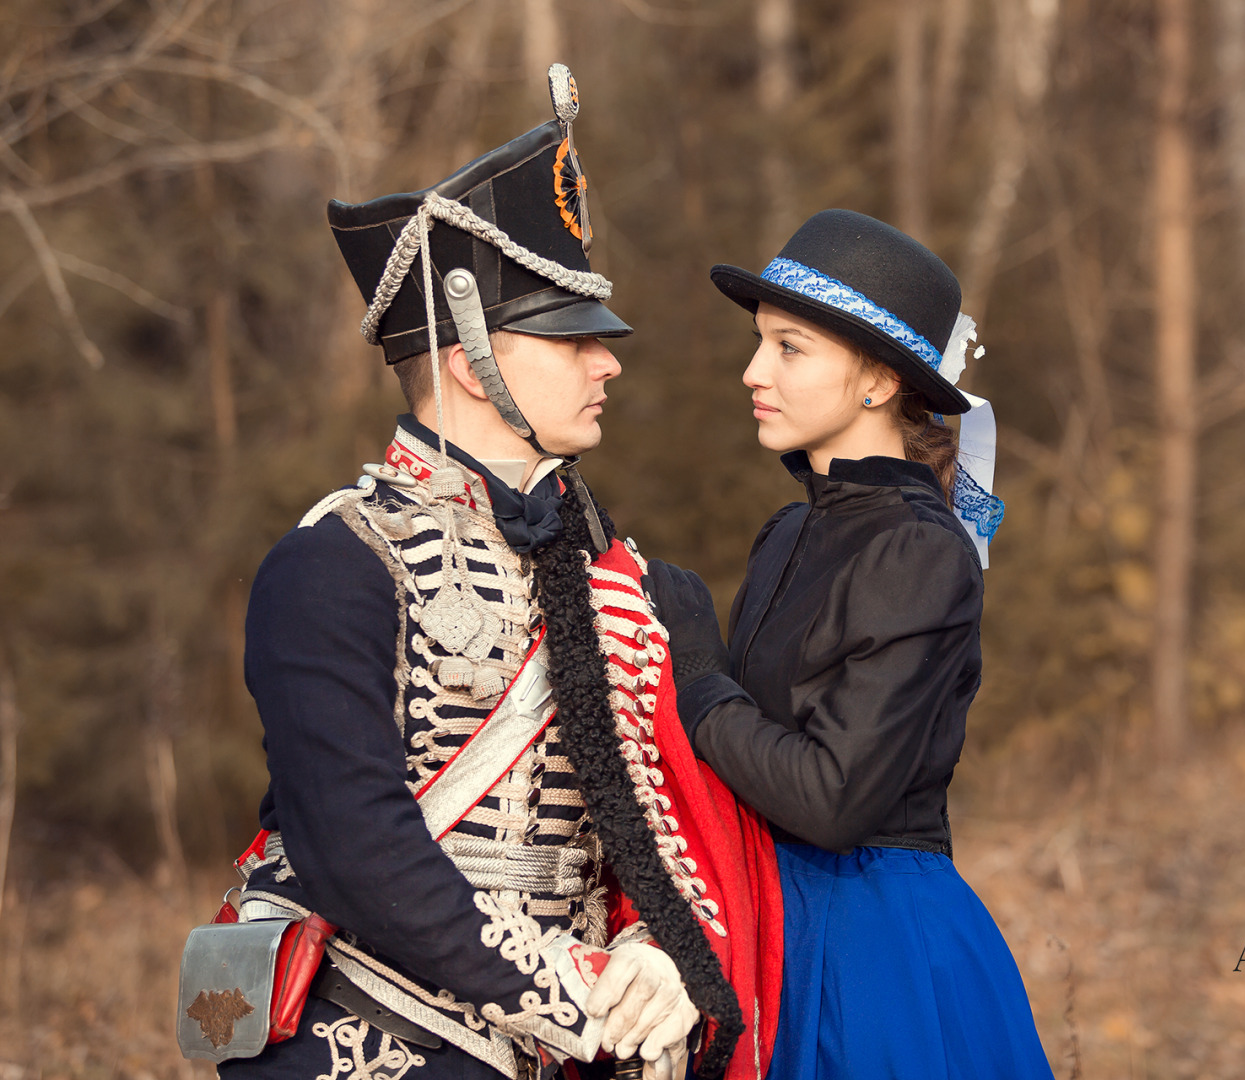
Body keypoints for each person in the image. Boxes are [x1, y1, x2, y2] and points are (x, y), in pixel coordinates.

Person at [194, 68, 780, 1080]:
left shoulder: (617, 571)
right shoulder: (330, 565)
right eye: (574, 339)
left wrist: (658, 955)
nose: (611, 366)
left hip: (589, 1036)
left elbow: (649, 821)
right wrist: (577, 1000)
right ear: (471, 362)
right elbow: (358, 850)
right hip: (377, 1034)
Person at [644, 209, 1051, 1079]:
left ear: (876, 382)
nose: (753, 371)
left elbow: (835, 800)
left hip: (869, 954)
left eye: (790, 348)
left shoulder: (918, 549)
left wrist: (698, 676)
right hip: (758, 920)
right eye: (760, 344)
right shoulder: (787, 534)